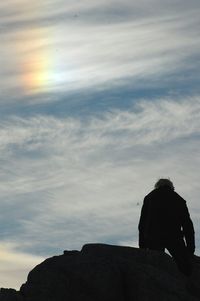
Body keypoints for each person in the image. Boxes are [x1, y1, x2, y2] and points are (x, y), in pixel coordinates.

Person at [138, 178, 195, 276]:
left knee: (155, 269)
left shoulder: (149, 198)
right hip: (174, 236)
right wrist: (190, 248)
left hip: (153, 236)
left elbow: (142, 224)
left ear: (157, 186)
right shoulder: (178, 199)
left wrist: (142, 246)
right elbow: (187, 225)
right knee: (184, 267)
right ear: (171, 187)